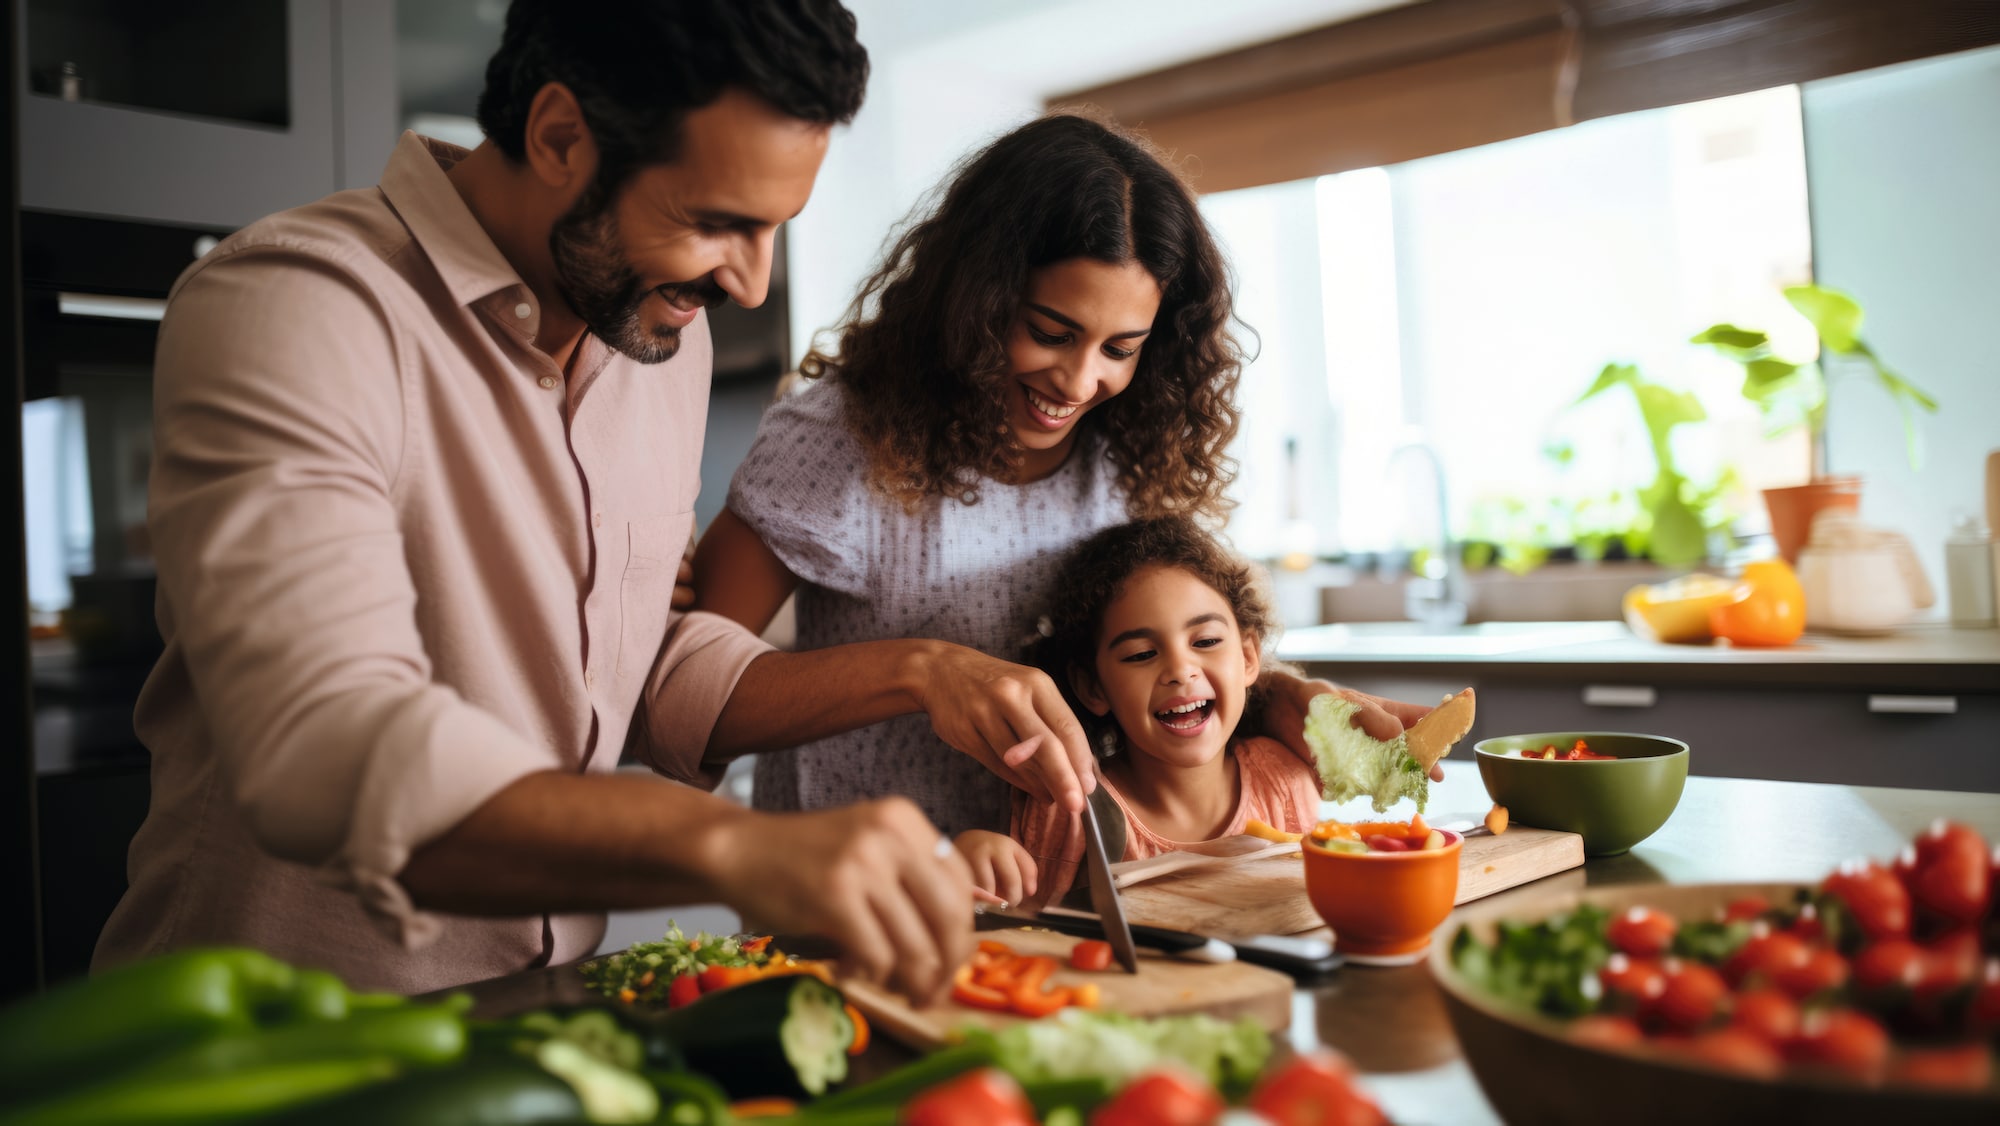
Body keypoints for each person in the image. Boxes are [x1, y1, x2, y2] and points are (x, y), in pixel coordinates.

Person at [93, 0, 1088, 1007]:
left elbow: (635, 655)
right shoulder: (300, 305)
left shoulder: (659, 339)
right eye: (715, 222)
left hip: (541, 1007)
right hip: (271, 1031)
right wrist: (735, 847)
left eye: (775, 228)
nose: (750, 284)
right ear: (561, 136)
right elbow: (324, 737)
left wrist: (923, 671)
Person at [694, 112, 1433, 843]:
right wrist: (922, 671)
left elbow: (1160, 659)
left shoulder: (1132, 454)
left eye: (1121, 347)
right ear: (972, 301)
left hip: (1069, 897)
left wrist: (1283, 699)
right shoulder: (842, 437)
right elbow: (684, 700)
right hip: (856, 896)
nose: (1080, 381)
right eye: (1050, 332)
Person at [957, 517, 1321, 905]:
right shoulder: (1068, 808)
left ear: (1248, 657)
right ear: (1093, 687)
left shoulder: (1285, 784)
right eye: (1141, 654)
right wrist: (977, 869)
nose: (1181, 671)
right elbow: (1027, 930)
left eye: (1207, 640)